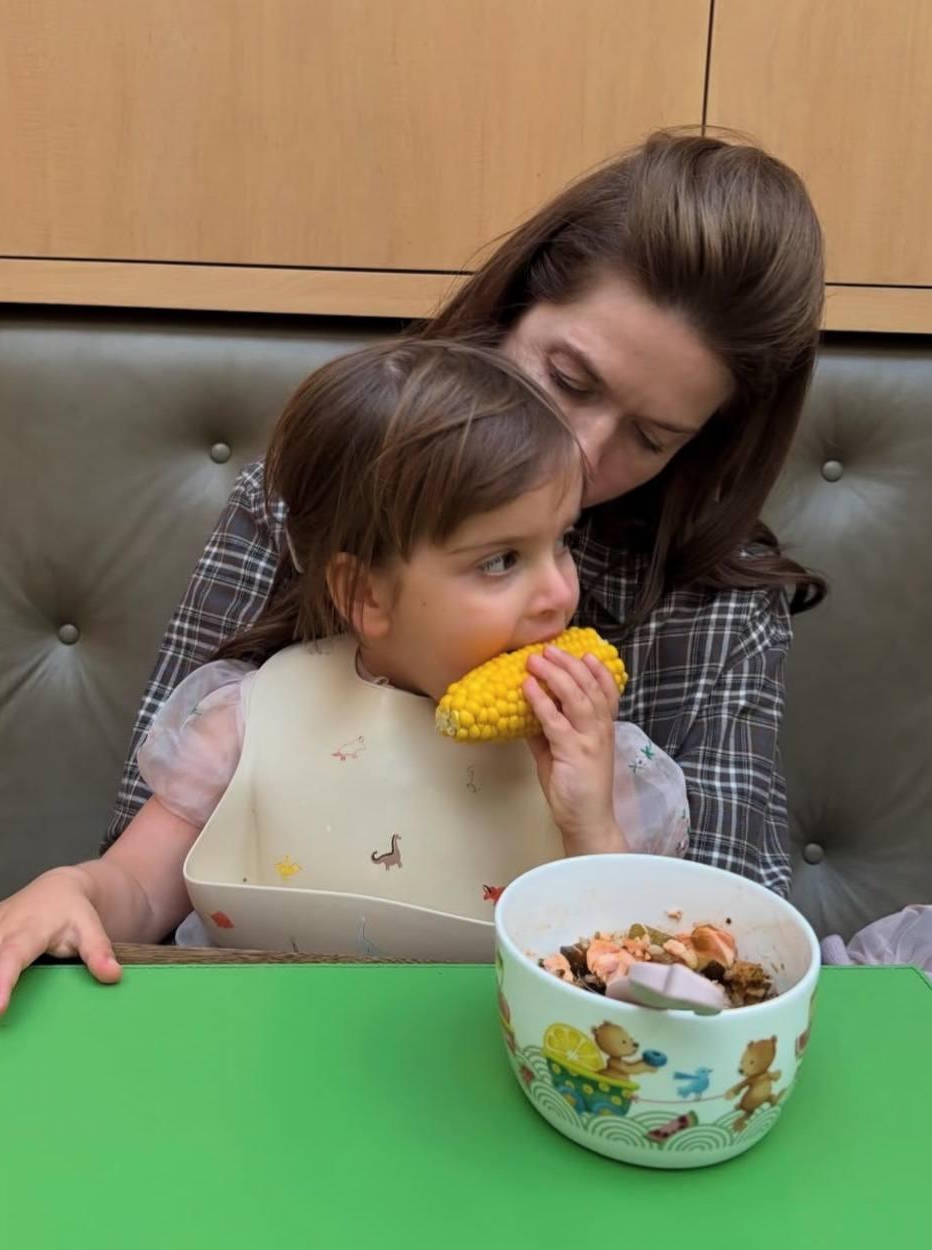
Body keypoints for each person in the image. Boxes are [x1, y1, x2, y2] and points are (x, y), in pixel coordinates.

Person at [105, 130, 827, 897]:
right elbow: (143, 869)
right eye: (568, 379)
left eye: (649, 438)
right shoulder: (308, 508)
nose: (582, 454)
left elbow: (714, 931)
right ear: (508, 313)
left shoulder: (719, 614)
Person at [0, 340, 688, 1012]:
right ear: (365, 596)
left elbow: (632, 977)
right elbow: (138, 892)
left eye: (561, 542)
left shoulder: (593, 766)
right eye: (500, 561)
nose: (559, 594)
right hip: (249, 1040)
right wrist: (75, 891)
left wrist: (588, 823)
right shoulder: (249, 721)